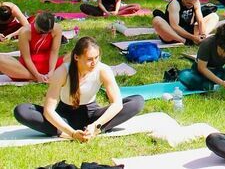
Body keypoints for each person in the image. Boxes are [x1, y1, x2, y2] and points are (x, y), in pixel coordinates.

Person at [13, 37, 144, 141]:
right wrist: (72, 133)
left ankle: (91, 132)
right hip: (64, 117)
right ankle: (66, 132)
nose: (94, 63)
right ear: (76, 57)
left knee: (137, 101)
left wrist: (95, 126)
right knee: (21, 110)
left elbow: (117, 103)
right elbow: (49, 111)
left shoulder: (103, 70)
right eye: (89, 59)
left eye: (96, 58)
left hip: (91, 115)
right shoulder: (62, 72)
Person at [178, 23, 225, 91]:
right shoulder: (207, 44)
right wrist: (221, 82)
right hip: (201, 74)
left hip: (219, 72)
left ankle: (214, 85)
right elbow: (202, 68)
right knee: (184, 75)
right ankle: (211, 85)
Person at [0, 13, 63, 83]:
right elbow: (27, 58)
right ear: (34, 21)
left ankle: (42, 78)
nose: (43, 34)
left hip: (49, 65)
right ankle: (35, 78)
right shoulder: (25, 31)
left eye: (47, 32)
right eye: (40, 32)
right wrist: (37, 75)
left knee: (73, 55)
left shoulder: (57, 28)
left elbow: (54, 52)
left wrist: (51, 72)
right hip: (26, 70)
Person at [152, 0, 219, 45]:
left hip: (188, 30)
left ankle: (198, 39)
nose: (191, 5)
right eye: (189, 3)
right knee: (157, 20)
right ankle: (185, 41)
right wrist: (192, 37)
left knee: (214, 16)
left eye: (193, 4)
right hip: (173, 34)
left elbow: (200, 21)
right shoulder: (175, 4)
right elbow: (175, 26)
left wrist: (203, 35)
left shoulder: (195, 2)